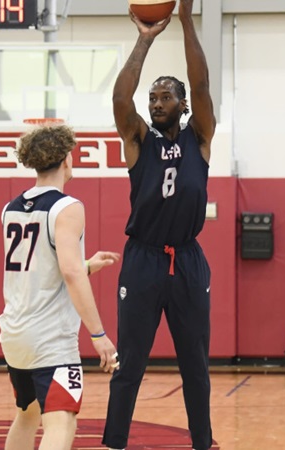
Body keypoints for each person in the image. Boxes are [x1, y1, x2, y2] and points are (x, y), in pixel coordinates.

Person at [102, 1, 217, 449]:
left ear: (183, 105)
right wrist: (144, 39)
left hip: (187, 260)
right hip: (143, 261)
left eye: (165, 96)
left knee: (195, 365)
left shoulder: (200, 136)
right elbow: (119, 100)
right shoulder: (138, 141)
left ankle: (203, 443)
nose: (156, 103)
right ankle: (113, 443)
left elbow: (203, 82)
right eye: (152, 97)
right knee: (130, 364)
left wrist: (187, 19)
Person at [0, 123, 121, 450]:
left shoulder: (10, 209)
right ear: (67, 159)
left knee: (27, 414)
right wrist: (98, 335)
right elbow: (69, 272)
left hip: (15, 335)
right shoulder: (67, 207)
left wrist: (88, 265)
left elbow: (42, 270)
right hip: (50, 339)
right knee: (62, 419)